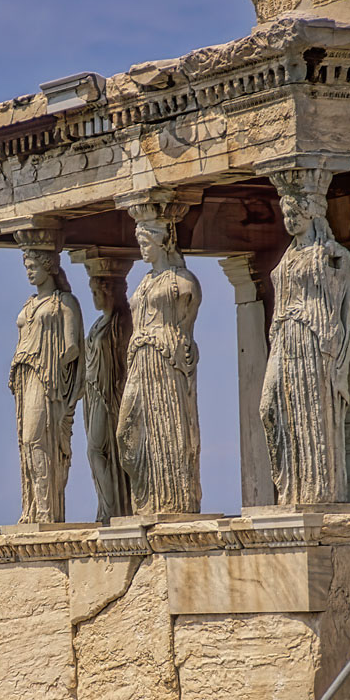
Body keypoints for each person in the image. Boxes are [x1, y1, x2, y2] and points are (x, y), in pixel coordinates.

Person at [260, 177, 350, 504]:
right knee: (270, 408)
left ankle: (318, 493)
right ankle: (292, 488)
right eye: (286, 213)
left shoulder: (332, 254)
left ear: (312, 213)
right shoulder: (287, 257)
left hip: (314, 339)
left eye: (295, 213)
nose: (289, 220)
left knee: (313, 413)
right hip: (286, 338)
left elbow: (344, 303)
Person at [117, 216, 202, 515]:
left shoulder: (184, 281)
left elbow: (186, 330)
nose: (141, 249)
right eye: (139, 243)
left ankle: (173, 501)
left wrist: (181, 351)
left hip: (165, 358)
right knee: (126, 434)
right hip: (141, 358)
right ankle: (146, 499)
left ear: (161, 242)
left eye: (145, 243)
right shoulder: (143, 282)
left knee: (169, 429)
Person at [9, 247, 84, 523]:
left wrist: (51, 364)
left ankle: (46, 510)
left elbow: (72, 347)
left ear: (49, 266)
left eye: (33, 265)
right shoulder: (29, 304)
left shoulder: (64, 303)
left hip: (48, 378)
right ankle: (32, 508)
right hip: (25, 377)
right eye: (26, 266)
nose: (29, 270)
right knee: (25, 442)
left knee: (35, 437)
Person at [83, 273, 132, 522]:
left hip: (110, 394)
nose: (94, 298)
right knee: (95, 451)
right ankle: (106, 507)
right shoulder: (98, 323)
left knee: (96, 450)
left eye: (96, 292)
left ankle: (113, 509)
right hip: (93, 393)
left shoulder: (122, 323)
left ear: (109, 291)